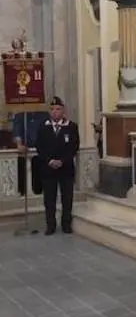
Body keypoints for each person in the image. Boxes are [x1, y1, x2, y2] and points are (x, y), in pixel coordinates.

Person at [35, 97, 80, 235]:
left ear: (63, 110)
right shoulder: (44, 127)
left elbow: (74, 147)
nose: (55, 112)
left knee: (67, 198)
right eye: (52, 109)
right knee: (49, 199)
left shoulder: (71, 126)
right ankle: (51, 225)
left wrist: (62, 161)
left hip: (66, 169)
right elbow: (39, 147)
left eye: (58, 109)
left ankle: (66, 224)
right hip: (48, 169)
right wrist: (49, 161)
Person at [12, 110, 48, 195]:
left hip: (41, 152)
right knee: (24, 177)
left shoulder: (44, 115)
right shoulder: (20, 115)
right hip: (25, 152)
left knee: (39, 177)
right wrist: (19, 144)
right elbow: (17, 131)